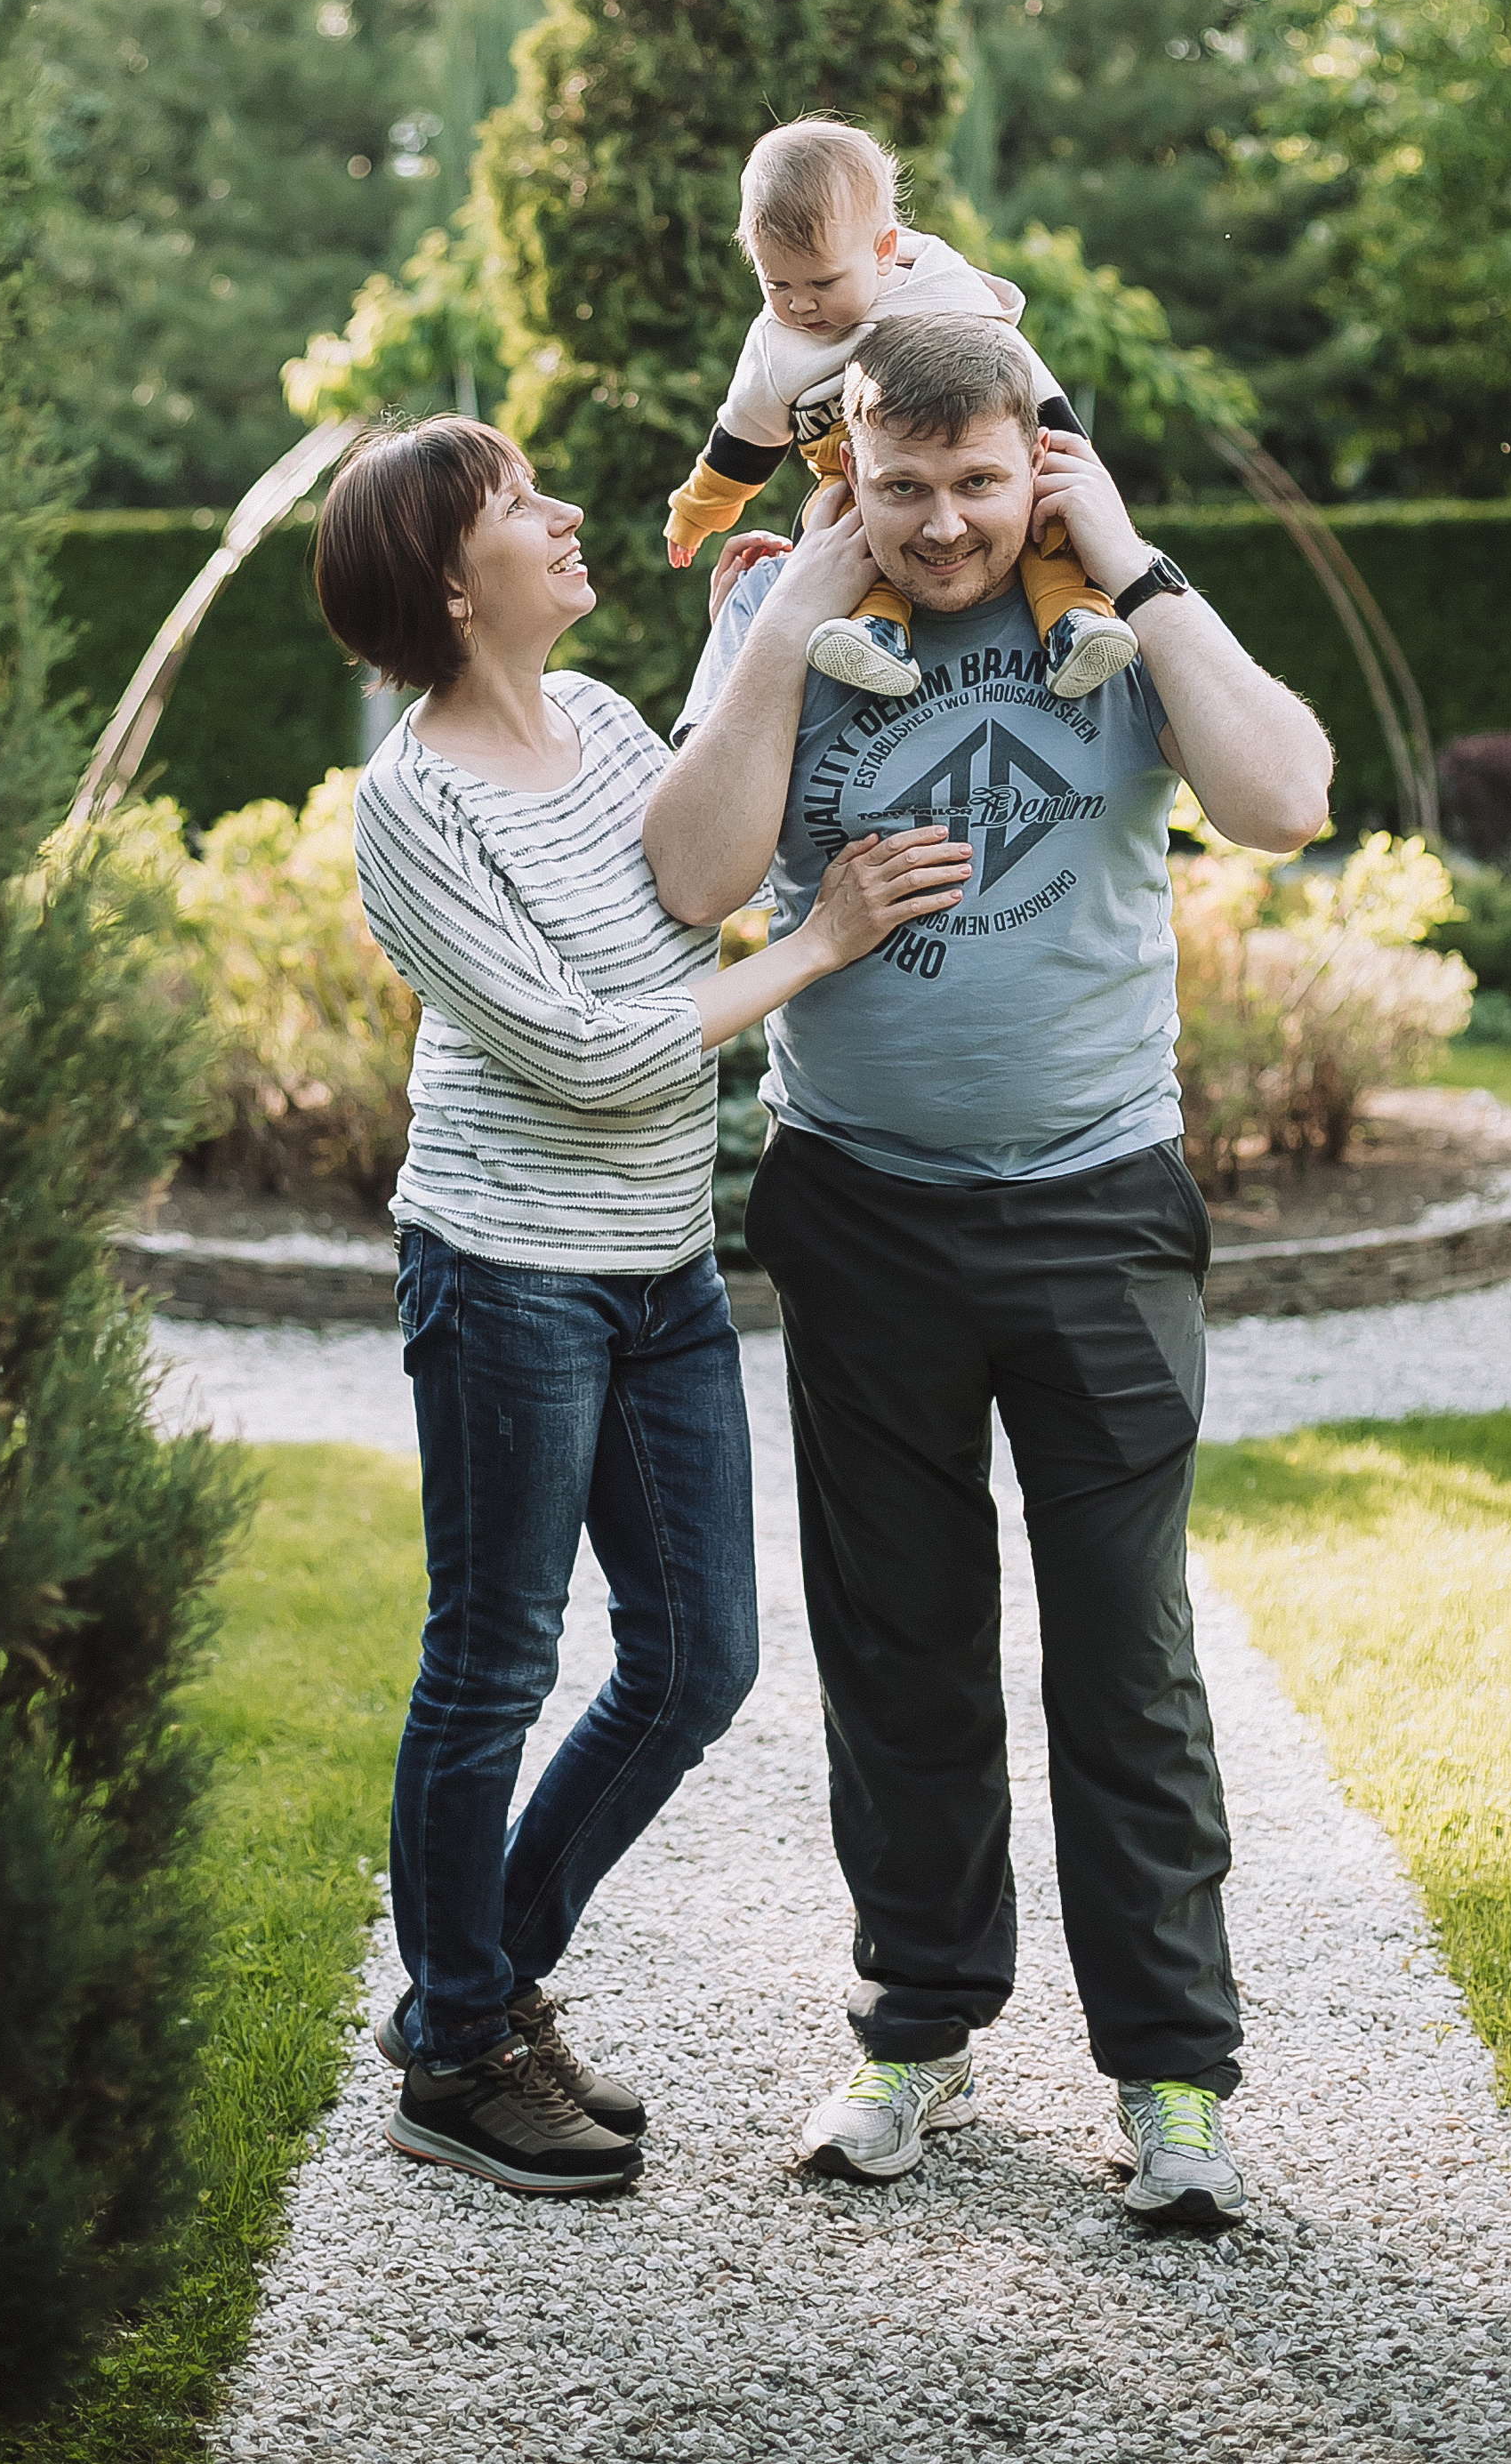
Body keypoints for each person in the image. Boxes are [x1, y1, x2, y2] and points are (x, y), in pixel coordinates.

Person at [643, 315, 1331, 2235]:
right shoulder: (782, 605)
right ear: (837, 467)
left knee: (1125, 1655)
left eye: (974, 482)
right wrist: (781, 633)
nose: (938, 526)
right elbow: (694, 874)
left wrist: (1130, 555)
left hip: (1097, 1207)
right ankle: (914, 2030)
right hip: (860, 1211)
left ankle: (1172, 2085)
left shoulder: (1102, 602)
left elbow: (1284, 796)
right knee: (900, 1647)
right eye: (897, 484)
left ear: (1032, 456)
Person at [312, 415, 973, 2201]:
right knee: (493, 1663)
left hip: (655, 1266)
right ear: (452, 579)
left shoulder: (598, 723)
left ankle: (464, 1992)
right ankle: (461, 2045)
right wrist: (822, 937)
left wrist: (778, 635)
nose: (566, 512)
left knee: (695, 1661)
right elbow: (600, 1057)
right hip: (508, 1269)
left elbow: (700, 882)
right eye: (522, 505)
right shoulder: (412, 806)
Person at [664, 116, 1137, 704]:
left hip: (972, 464)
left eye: (823, 281)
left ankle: (1077, 619)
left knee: (1044, 520)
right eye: (777, 285)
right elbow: (744, 439)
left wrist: (1090, 486)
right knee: (834, 531)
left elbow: (1033, 392)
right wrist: (698, 512)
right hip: (859, 485)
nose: (802, 303)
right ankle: (875, 633)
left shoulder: (947, 299)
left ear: (884, 251)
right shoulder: (777, 344)